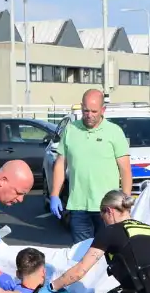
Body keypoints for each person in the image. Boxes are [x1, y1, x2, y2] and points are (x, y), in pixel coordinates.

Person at [49, 89, 133, 243]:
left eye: (94, 111)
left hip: (109, 207)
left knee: (109, 252)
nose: (89, 114)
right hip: (78, 206)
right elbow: (61, 163)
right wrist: (54, 194)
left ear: (103, 110)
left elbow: (126, 170)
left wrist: (125, 203)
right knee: (81, 254)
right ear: (81, 107)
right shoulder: (71, 130)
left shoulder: (114, 132)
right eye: (85, 110)